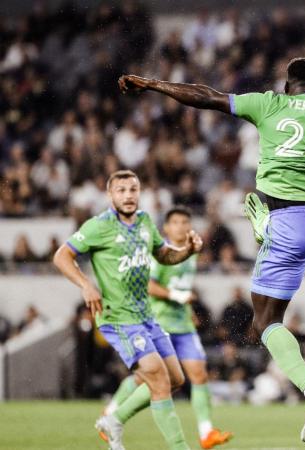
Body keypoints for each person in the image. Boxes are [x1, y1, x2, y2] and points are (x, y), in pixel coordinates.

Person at [119, 57, 305, 442]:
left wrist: (154, 84)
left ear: (287, 83)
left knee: (264, 322)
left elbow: (206, 97)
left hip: (288, 222)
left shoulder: (268, 104)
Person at [53, 170, 203, 450]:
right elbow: (62, 256)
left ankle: (114, 419)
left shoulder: (146, 221)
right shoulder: (99, 226)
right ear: (110, 195)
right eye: (121, 190)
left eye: (133, 189)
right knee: (158, 380)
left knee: (176, 379)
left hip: (146, 317)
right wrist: (86, 285)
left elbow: (163, 255)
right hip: (118, 319)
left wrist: (187, 251)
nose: (128, 195)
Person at [103, 206, 232, 449]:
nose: (182, 227)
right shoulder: (158, 254)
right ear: (166, 228)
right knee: (148, 379)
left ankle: (206, 432)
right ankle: (110, 413)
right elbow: (150, 286)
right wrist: (177, 296)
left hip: (182, 324)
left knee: (199, 374)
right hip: (159, 323)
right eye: (177, 222)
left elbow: (181, 284)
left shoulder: (190, 252)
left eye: (186, 222)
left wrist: (188, 309)